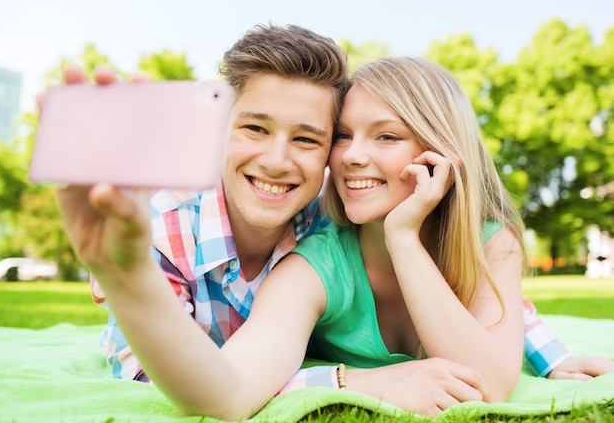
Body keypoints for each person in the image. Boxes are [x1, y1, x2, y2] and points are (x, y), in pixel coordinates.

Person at [53, 25, 612, 418]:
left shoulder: (326, 215)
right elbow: (200, 386)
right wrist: (361, 381)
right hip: (183, 357)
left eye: (311, 138)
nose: (349, 157)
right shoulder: (297, 250)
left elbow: (488, 295)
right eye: (344, 136)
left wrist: (552, 356)